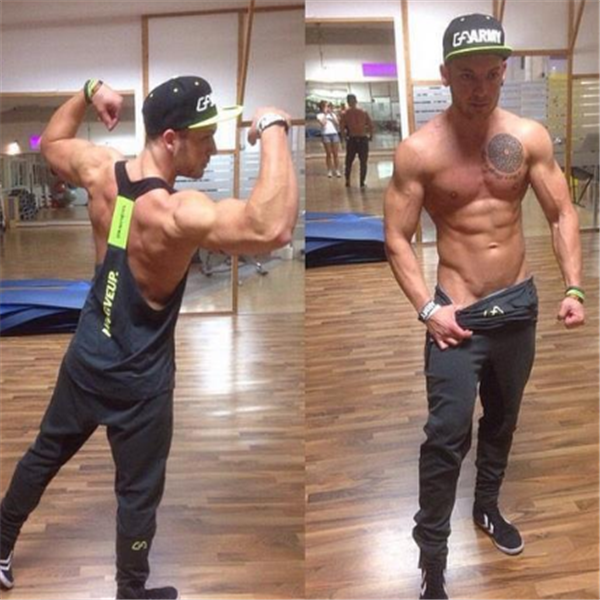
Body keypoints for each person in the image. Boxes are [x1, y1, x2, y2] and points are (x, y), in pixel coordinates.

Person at [0, 75, 298, 600]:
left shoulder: (101, 170)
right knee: (137, 494)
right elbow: (271, 228)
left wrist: (89, 91)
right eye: (203, 138)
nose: (212, 148)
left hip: (88, 356)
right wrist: (274, 127)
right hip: (141, 382)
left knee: (44, 454)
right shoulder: (178, 213)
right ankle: (130, 592)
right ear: (170, 139)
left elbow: (51, 142)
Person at [384, 14, 585, 600]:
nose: (481, 87)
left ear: (504, 72)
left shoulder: (528, 137)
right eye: (467, 75)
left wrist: (574, 287)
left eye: (492, 74)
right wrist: (428, 309)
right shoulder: (419, 151)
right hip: (457, 314)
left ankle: (488, 507)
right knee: (446, 436)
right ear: (445, 75)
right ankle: (433, 557)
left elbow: (561, 213)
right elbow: (396, 237)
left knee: (501, 420)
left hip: (517, 305)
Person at [340, 93, 373, 188]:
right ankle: (362, 182)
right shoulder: (363, 112)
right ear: (356, 101)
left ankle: (347, 181)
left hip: (352, 138)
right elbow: (370, 125)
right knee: (363, 162)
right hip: (362, 138)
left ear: (348, 102)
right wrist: (370, 136)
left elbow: (341, 128)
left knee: (349, 161)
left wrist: (344, 137)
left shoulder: (345, 114)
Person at [316, 100, 342, 178]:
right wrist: (325, 114)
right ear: (322, 107)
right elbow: (323, 123)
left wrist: (331, 115)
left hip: (334, 134)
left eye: (329, 106)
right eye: (326, 106)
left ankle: (337, 170)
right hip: (325, 134)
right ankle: (329, 170)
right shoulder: (319, 115)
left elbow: (337, 123)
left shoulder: (333, 114)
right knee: (328, 153)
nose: (328, 108)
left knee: (335, 153)